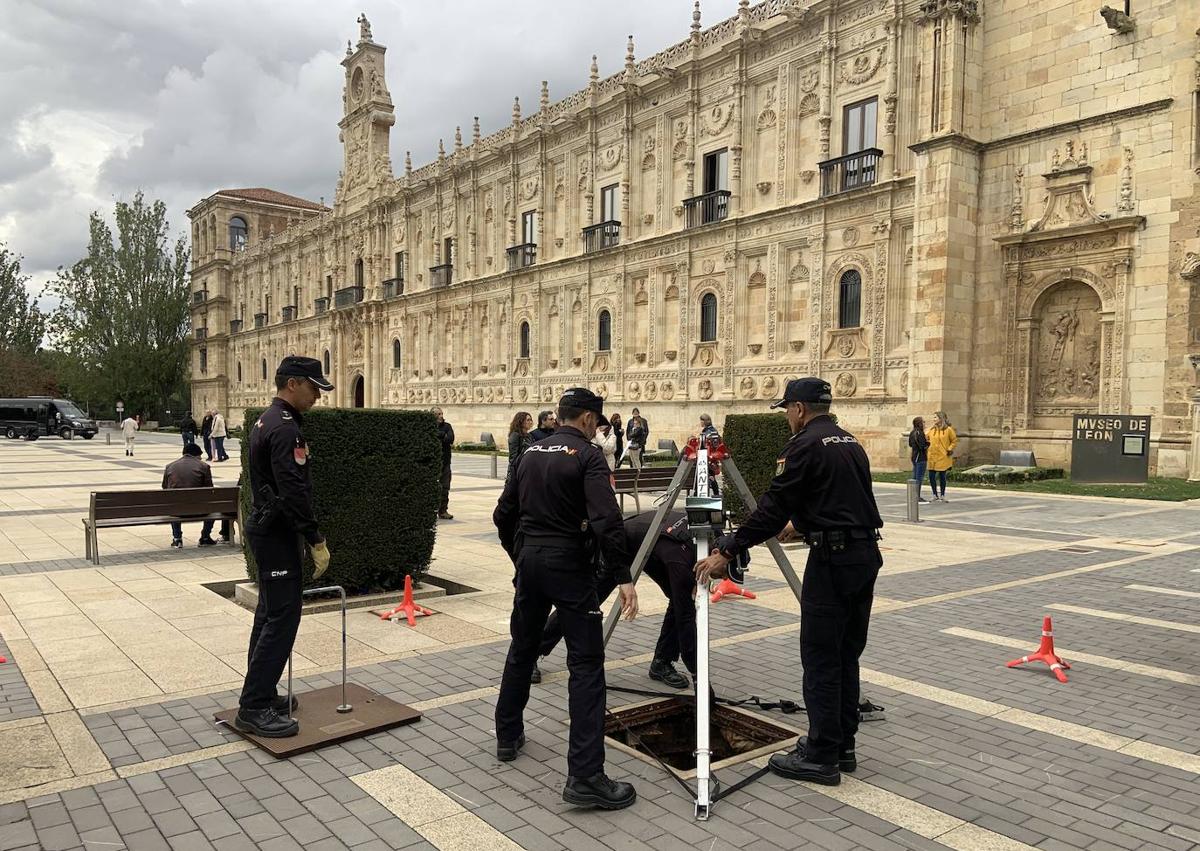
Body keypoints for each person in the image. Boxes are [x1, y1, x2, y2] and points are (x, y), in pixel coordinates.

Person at [695, 377, 883, 787]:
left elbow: (770, 510)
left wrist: (727, 549)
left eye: (787, 411)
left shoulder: (803, 446)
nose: (786, 419)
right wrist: (805, 525)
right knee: (845, 655)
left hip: (832, 562)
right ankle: (841, 746)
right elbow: (847, 500)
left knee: (820, 659)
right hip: (864, 556)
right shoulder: (849, 441)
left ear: (798, 409)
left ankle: (820, 756)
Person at [493, 387, 639, 810]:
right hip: (569, 565)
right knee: (587, 665)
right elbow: (607, 520)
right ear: (590, 420)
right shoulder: (589, 456)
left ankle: (507, 735)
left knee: (522, 649)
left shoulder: (531, 452)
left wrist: (520, 555)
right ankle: (586, 775)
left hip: (532, 561)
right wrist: (623, 576)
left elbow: (503, 514)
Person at [236, 356, 334, 738]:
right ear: (292, 384)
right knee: (283, 617)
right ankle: (254, 706)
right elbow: (293, 490)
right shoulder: (285, 427)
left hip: (269, 529)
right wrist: (315, 538)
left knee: (268, 613)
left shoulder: (267, 419)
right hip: (277, 533)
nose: (316, 396)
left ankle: (261, 692)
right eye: (313, 388)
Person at [536, 510, 720, 689]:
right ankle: (532, 653)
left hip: (654, 546)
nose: (721, 578)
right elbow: (685, 619)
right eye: (722, 572)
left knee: (681, 598)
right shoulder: (680, 560)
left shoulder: (715, 536)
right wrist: (698, 675)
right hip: (622, 545)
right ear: (714, 554)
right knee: (583, 601)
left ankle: (661, 663)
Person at [162, 444, 218, 548]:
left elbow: (164, 487)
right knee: (213, 505)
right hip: (200, 510)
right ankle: (205, 537)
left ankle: (177, 538)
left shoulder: (169, 466)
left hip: (177, 511)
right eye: (200, 456)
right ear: (196, 455)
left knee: (174, 502)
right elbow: (210, 490)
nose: (201, 459)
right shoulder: (204, 466)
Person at [926, 411, 957, 502]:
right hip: (932, 456)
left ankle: (942, 494)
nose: (933, 419)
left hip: (943, 456)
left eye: (935, 417)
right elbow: (926, 438)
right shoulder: (932, 430)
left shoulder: (948, 430)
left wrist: (949, 449)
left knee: (942, 475)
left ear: (941, 418)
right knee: (931, 476)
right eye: (934, 417)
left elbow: (954, 441)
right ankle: (934, 494)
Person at [433, 407, 455, 520]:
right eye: (438, 414)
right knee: (432, 487)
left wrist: (439, 435)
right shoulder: (429, 426)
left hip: (445, 461)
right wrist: (443, 435)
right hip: (433, 462)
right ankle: (432, 509)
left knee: (445, 487)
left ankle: (443, 510)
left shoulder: (447, 426)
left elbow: (450, 438)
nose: (441, 416)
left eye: (441, 414)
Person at [506, 411, 534, 482]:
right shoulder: (515, 435)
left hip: (527, 469)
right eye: (528, 420)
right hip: (518, 471)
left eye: (531, 420)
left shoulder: (529, 436)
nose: (530, 422)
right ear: (521, 421)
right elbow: (513, 458)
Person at [908, 417, 930, 503]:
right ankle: (917, 496)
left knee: (915, 476)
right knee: (918, 478)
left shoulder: (912, 432)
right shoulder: (919, 433)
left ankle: (913, 495)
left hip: (914, 456)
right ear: (919, 423)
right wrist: (928, 443)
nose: (924, 424)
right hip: (920, 457)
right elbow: (922, 446)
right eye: (923, 422)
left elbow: (910, 444)